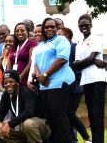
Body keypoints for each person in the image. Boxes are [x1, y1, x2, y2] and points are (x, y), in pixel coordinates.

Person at [32, 17, 74, 143]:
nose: (49, 29)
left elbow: (62, 59)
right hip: (45, 85)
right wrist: (39, 75)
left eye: (52, 27)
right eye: (47, 27)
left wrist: (45, 75)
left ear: (57, 28)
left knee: (59, 116)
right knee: (50, 117)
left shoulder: (61, 40)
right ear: (43, 29)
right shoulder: (41, 44)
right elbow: (36, 62)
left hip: (60, 82)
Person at [74, 14, 106, 143]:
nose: (84, 27)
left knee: (97, 114)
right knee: (91, 114)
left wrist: (91, 60)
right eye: (81, 25)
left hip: (98, 79)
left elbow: (91, 57)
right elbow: (76, 64)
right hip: (86, 81)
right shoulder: (79, 44)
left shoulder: (96, 39)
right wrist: (94, 61)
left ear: (91, 25)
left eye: (86, 24)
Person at [0, 70, 50, 143]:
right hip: (20, 125)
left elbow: (29, 112)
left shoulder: (26, 92)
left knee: (28, 124)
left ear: (17, 83)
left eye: (11, 82)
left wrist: (9, 124)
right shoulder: (6, 95)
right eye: (5, 83)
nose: (8, 84)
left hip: (40, 126)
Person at [60, 26, 91, 143]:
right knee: (66, 114)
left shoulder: (74, 47)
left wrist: (71, 82)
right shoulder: (62, 49)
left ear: (67, 36)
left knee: (69, 113)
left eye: (60, 34)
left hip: (75, 87)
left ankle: (87, 138)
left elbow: (78, 67)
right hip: (65, 88)